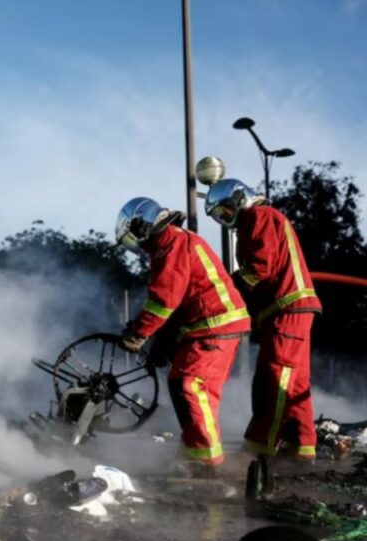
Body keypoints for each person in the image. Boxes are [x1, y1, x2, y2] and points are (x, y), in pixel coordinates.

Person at [116, 197, 251, 475]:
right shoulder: (175, 241)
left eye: (135, 240)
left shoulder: (171, 243)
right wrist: (162, 341)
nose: (139, 248)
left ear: (143, 226)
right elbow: (177, 303)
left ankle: (206, 464)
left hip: (216, 324)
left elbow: (163, 301)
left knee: (192, 385)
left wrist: (138, 335)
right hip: (207, 326)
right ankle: (193, 450)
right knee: (180, 382)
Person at [205, 178, 322, 461]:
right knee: (295, 383)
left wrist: (227, 288)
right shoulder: (258, 222)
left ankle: (261, 447)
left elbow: (260, 267)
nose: (226, 220)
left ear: (238, 199)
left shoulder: (261, 216)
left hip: (287, 310)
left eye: (225, 212)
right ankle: (302, 447)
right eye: (220, 217)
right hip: (286, 311)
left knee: (274, 377)